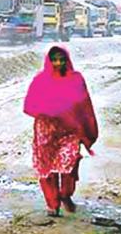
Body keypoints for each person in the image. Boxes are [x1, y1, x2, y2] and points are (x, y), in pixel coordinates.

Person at [23, 46, 98, 216]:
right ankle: (52, 203)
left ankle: (65, 194)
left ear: (67, 60)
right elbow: (30, 104)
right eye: (55, 60)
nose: (58, 63)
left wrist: (85, 126)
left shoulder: (76, 79)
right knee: (47, 167)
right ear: (49, 61)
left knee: (69, 162)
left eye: (61, 59)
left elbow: (84, 104)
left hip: (70, 130)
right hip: (46, 130)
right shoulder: (40, 80)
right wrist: (49, 110)